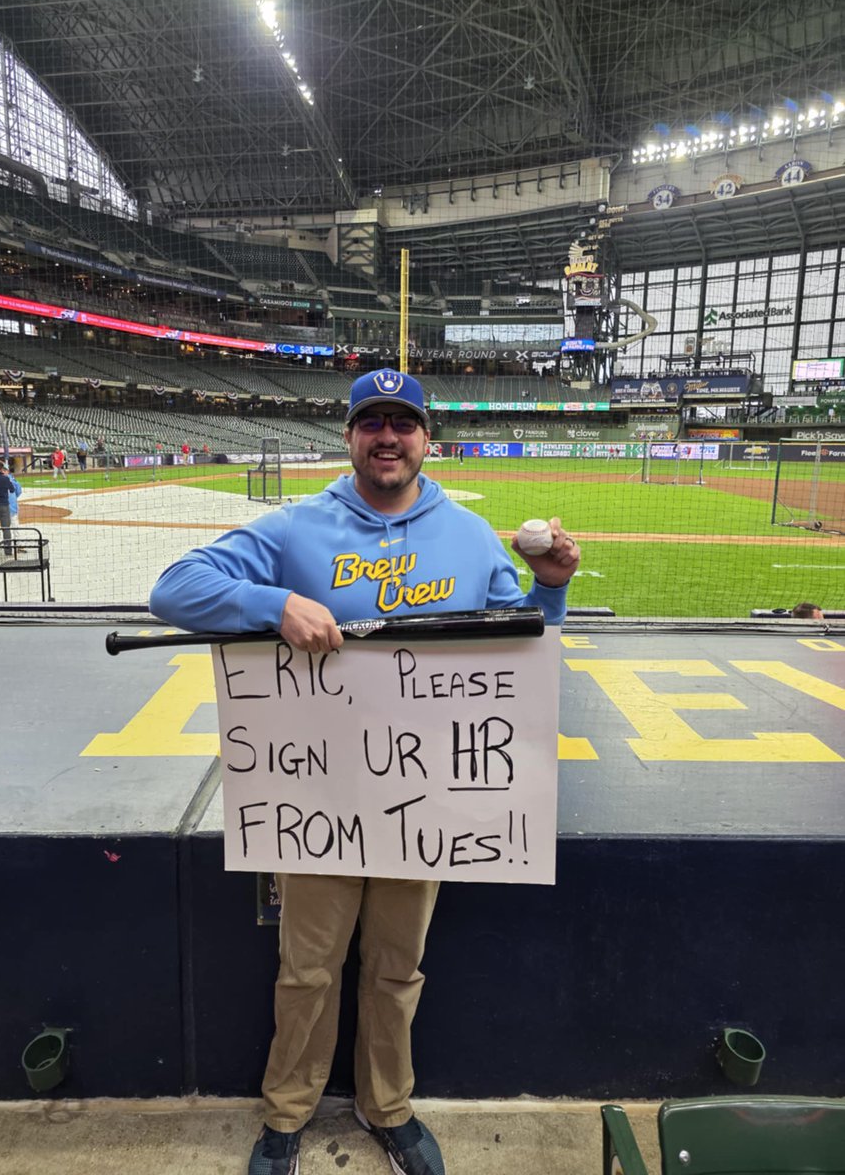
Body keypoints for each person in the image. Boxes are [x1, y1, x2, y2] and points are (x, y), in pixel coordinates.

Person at [150, 368, 579, 1175]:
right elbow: (172, 589)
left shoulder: (469, 533)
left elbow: (518, 642)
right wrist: (272, 605)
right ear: (349, 437)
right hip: (320, 793)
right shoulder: (295, 526)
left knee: (395, 968)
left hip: (426, 799)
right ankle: (286, 1115)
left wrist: (549, 589)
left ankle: (389, 1107)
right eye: (371, 421)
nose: (388, 435)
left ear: (426, 440)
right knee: (307, 968)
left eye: (403, 422)